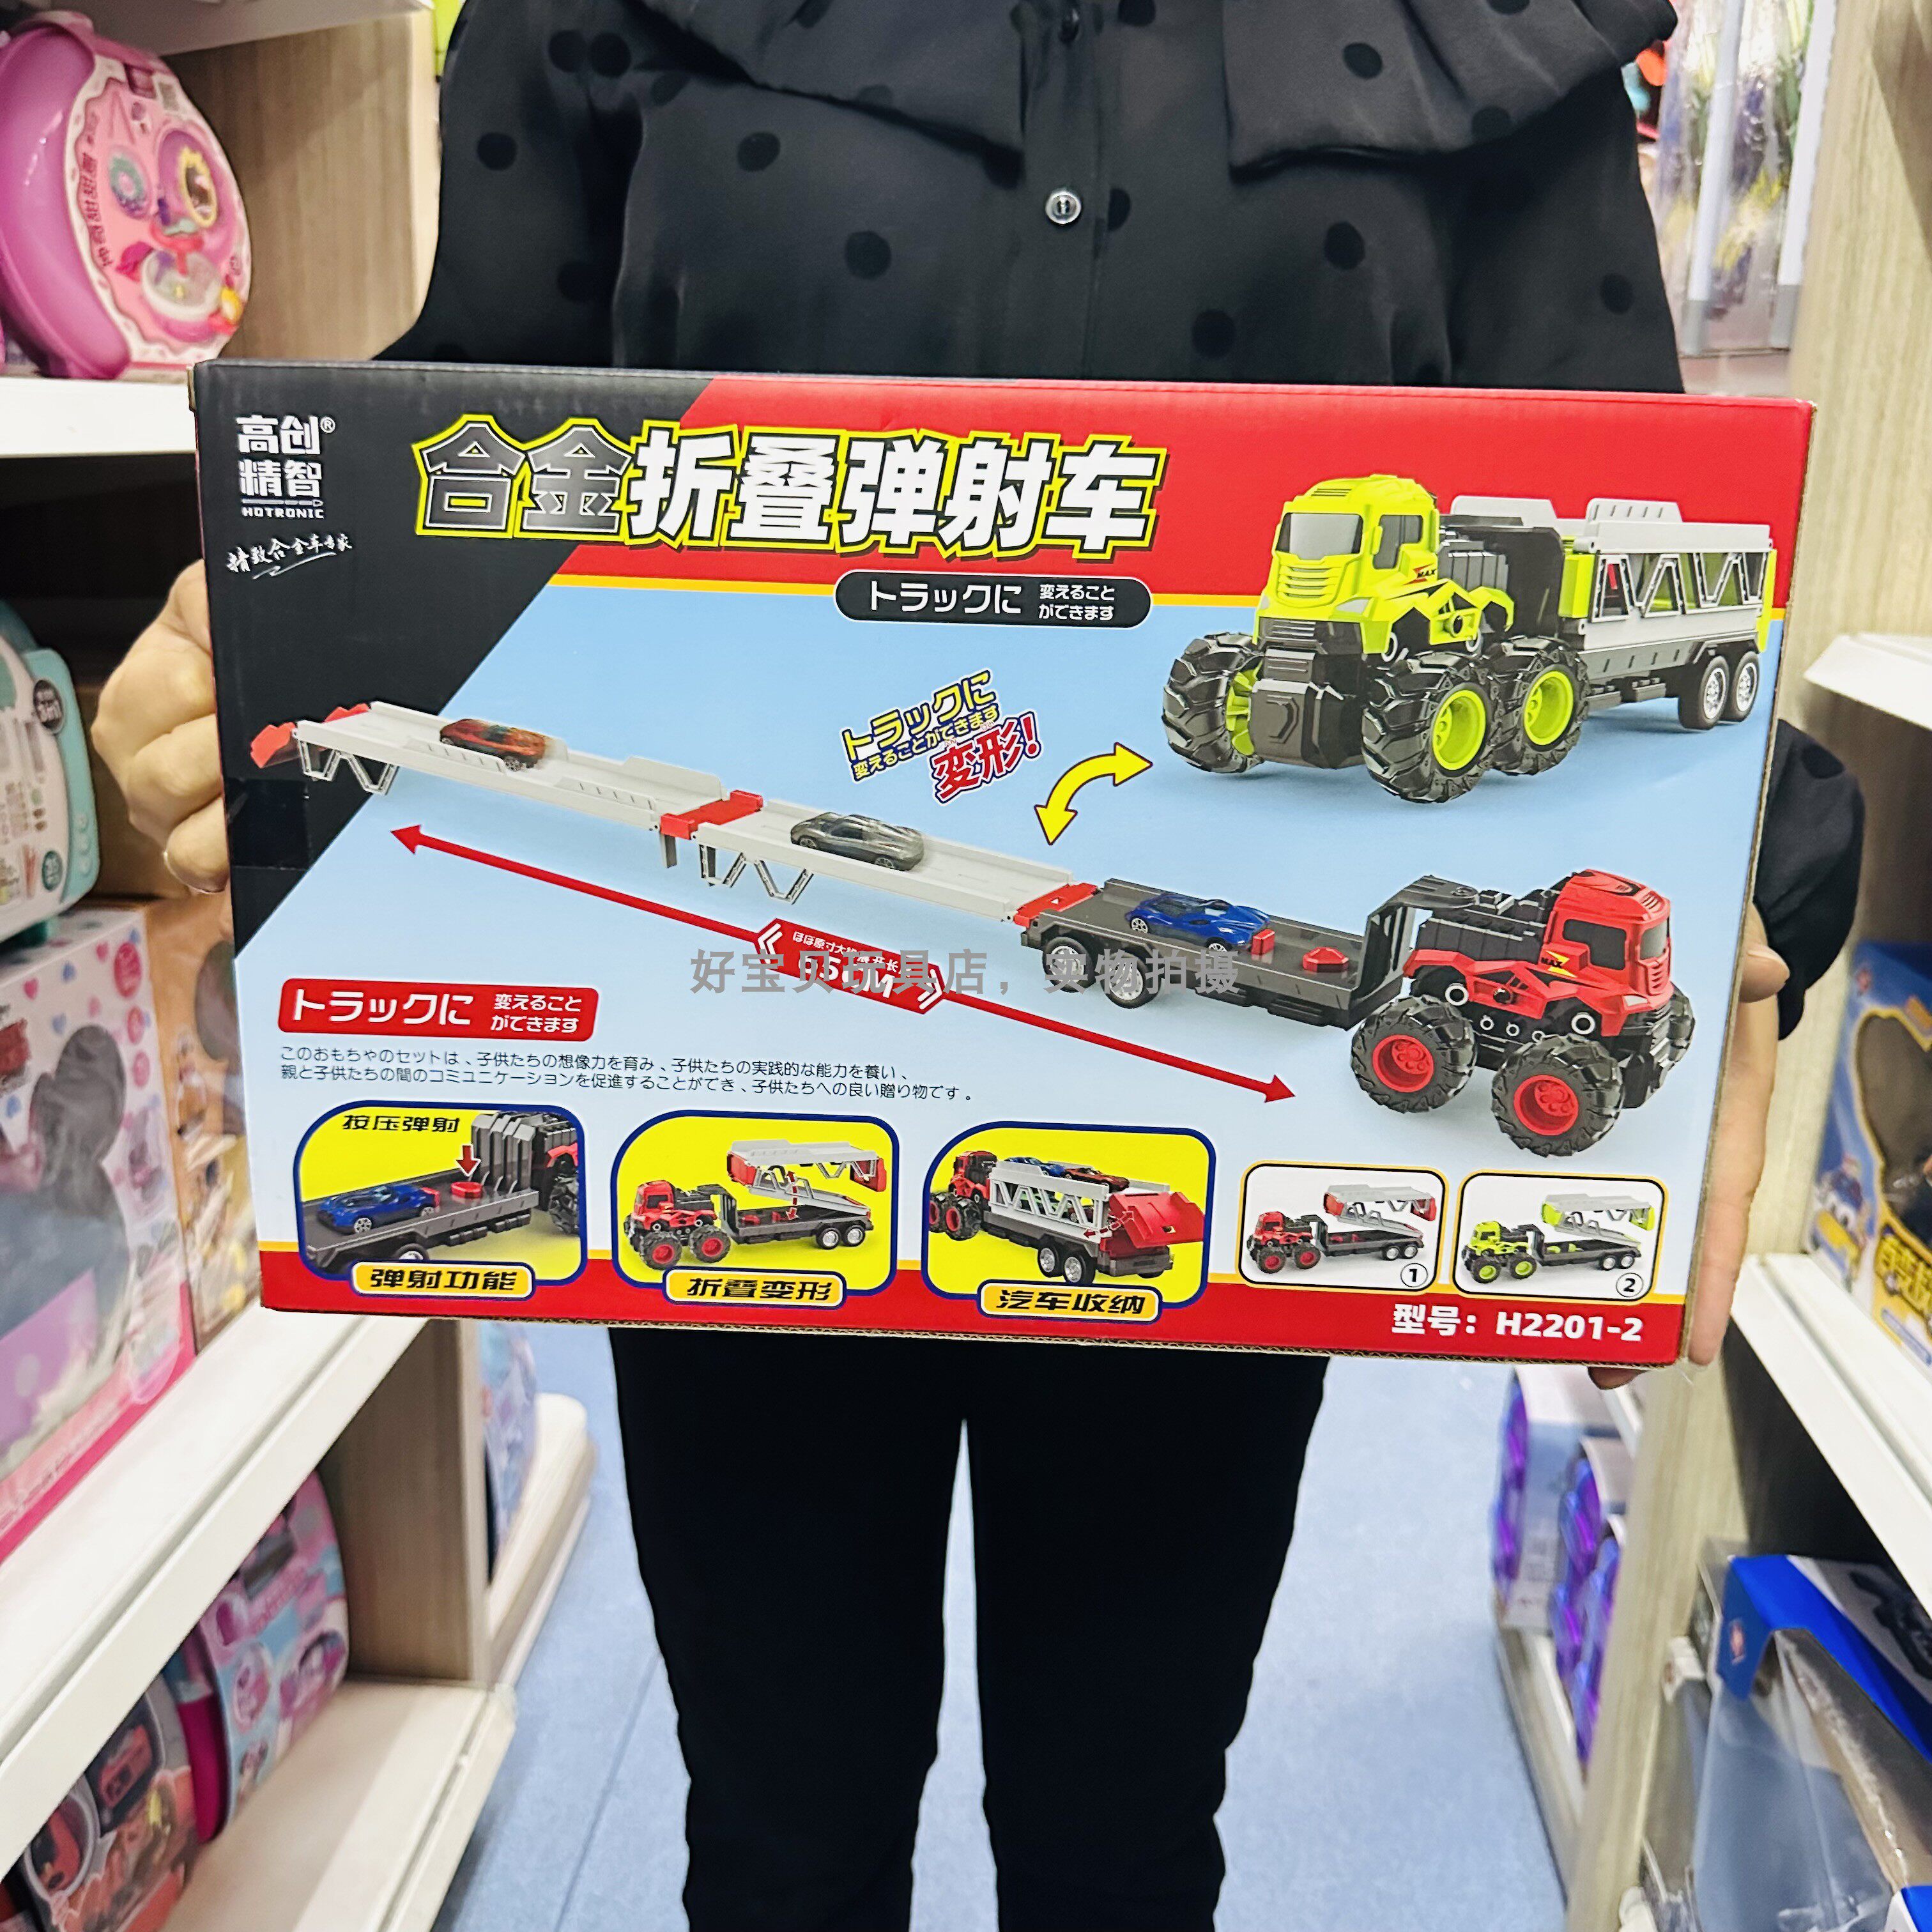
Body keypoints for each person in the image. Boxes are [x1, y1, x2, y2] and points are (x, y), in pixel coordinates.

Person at [92, 4, 1864, 1926]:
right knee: (779, 1837)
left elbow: (1628, 496)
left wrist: (1724, 879)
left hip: (1212, 1138)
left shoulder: (1474, 33)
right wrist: (269, 638)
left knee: (1124, 1841)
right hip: (738, 1090)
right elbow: (472, 424)